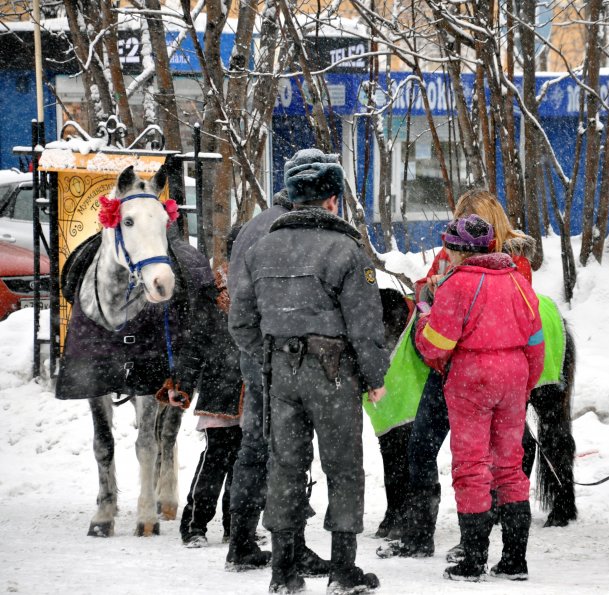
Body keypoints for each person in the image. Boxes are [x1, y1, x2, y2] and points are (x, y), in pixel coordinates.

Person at [229, 148, 389, 595]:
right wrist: (375, 377)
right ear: (333, 200)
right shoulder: (348, 250)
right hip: (333, 371)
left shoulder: (260, 249)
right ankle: (342, 570)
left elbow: (240, 321)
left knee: (284, 466)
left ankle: (284, 572)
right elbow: (366, 323)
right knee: (343, 466)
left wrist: (270, 357)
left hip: (279, 374)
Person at [377, 188, 537, 561]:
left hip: (466, 370)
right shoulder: (457, 253)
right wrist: (432, 288)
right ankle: (424, 534)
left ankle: (475, 540)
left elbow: (443, 331)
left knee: (480, 461)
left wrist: (436, 308)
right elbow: (426, 287)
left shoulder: (514, 264)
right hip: (469, 372)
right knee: (424, 448)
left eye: (466, 218)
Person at [414, 214, 544, 581]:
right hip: (515, 375)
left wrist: (425, 318)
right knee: (509, 466)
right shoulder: (518, 281)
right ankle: (515, 560)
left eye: (449, 248)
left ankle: (473, 559)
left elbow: (436, 346)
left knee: (471, 466)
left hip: (472, 379)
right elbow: (536, 341)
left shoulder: (457, 285)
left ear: (457, 250)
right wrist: (525, 383)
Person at [225, 188, 331, 576]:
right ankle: (293, 545)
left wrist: (256, 347)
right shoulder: (292, 233)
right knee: (291, 449)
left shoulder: (253, 227)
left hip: (255, 351)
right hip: (286, 355)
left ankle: (240, 541)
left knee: (254, 444)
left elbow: (240, 299)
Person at [178, 227, 244, 547]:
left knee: (243, 461)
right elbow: (196, 344)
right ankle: (195, 524)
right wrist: (184, 384)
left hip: (251, 393)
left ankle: (237, 525)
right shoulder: (212, 292)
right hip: (220, 390)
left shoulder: (262, 291)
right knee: (217, 458)